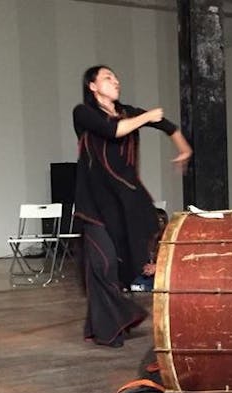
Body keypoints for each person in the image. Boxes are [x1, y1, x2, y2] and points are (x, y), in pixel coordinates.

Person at [73, 65, 192, 347]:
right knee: (101, 264)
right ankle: (113, 325)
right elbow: (111, 130)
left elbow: (167, 125)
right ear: (92, 86)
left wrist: (184, 149)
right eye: (107, 78)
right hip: (93, 202)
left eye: (116, 76)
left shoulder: (129, 112)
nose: (115, 80)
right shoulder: (83, 113)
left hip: (123, 203)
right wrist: (147, 116)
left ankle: (104, 323)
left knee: (117, 266)